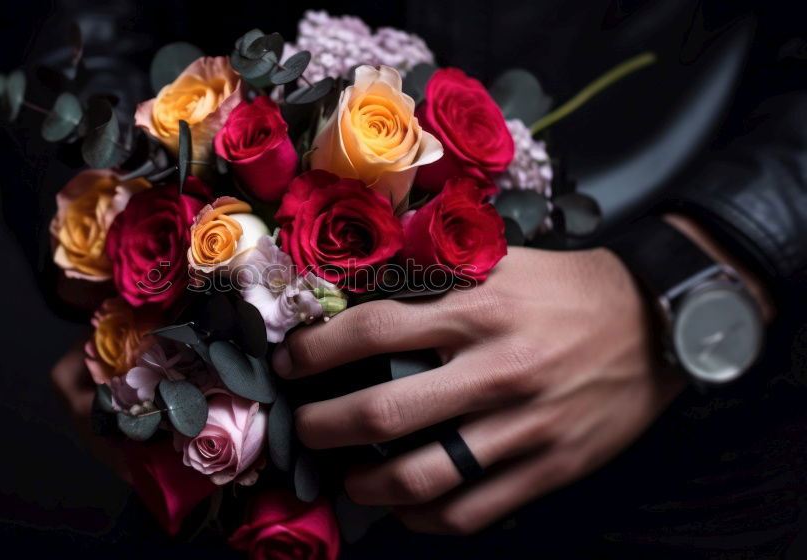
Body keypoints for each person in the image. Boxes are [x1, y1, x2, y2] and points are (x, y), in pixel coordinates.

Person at [52, 0, 807, 555]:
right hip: (254, 458)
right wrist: (114, 239)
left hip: (698, 445)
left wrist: (692, 269)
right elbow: (78, 25)